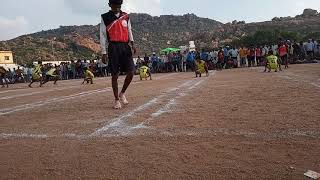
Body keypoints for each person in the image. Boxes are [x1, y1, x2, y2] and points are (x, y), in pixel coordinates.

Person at [100, 0, 137, 109]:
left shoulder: (125, 16)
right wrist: (103, 52)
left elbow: (129, 30)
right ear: (110, 5)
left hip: (125, 47)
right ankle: (116, 99)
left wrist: (133, 44)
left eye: (119, 5)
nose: (117, 7)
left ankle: (122, 93)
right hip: (113, 47)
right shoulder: (105, 17)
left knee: (131, 72)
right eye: (115, 5)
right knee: (115, 75)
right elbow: (102, 35)